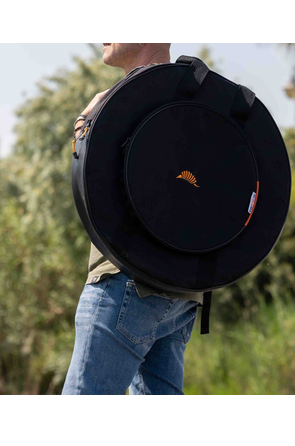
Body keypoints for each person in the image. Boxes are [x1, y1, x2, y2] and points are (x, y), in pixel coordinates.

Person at [62, 43, 204, 395]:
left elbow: (91, 173)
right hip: (183, 288)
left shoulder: (129, 100)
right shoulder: (193, 97)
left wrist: (85, 121)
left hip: (124, 280)